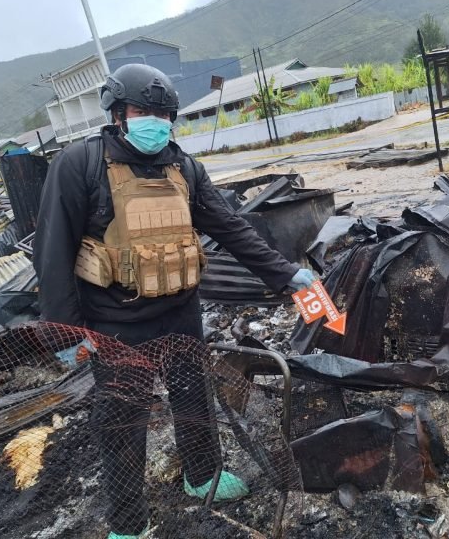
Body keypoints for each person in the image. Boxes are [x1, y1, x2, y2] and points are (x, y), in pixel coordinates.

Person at [33, 63, 315, 539]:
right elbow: (53, 253)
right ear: (119, 112)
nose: (155, 121)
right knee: (122, 424)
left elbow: (231, 228)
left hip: (181, 312)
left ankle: (201, 475)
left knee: (193, 397)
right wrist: (66, 331)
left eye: (164, 113)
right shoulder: (79, 164)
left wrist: (287, 274)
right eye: (144, 110)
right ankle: (128, 523)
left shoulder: (182, 166)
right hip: (115, 323)